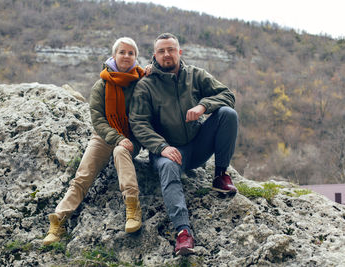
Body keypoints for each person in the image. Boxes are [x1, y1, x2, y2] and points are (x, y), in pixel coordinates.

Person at [129, 33, 238, 256]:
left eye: (171, 49)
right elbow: (138, 123)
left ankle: (220, 176)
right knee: (168, 166)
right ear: (154, 56)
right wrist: (161, 147)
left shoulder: (196, 75)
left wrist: (204, 107)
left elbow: (226, 95)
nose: (167, 54)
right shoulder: (146, 86)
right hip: (167, 151)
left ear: (179, 52)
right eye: (161, 51)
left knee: (228, 114)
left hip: (197, 146)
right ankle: (183, 233)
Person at [43, 37, 145, 245]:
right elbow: (97, 119)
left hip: (132, 137)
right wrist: (116, 137)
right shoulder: (102, 84)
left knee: (120, 152)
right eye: (122, 52)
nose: (126, 56)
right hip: (104, 135)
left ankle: (133, 207)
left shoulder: (143, 81)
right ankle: (58, 222)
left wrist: (126, 140)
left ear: (136, 57)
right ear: (114, 55)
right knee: (83, 175)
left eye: (131, 53)